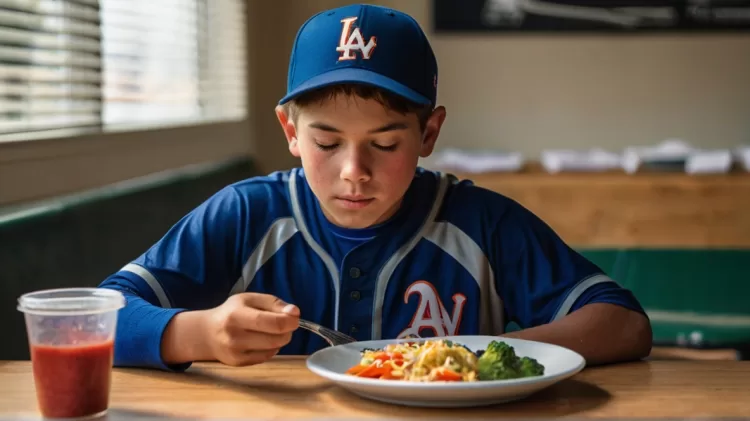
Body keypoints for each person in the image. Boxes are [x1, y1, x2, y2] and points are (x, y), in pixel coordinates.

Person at [99, 3, 651, 371]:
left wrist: (481, 358)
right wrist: (199, 334)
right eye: (327, 142)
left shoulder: (481, 222)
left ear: (428, 132)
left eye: (385, 145)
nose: (353, 171)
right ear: (290, 131)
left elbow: (622, 323)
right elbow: (100, 315)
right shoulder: (246, 214)